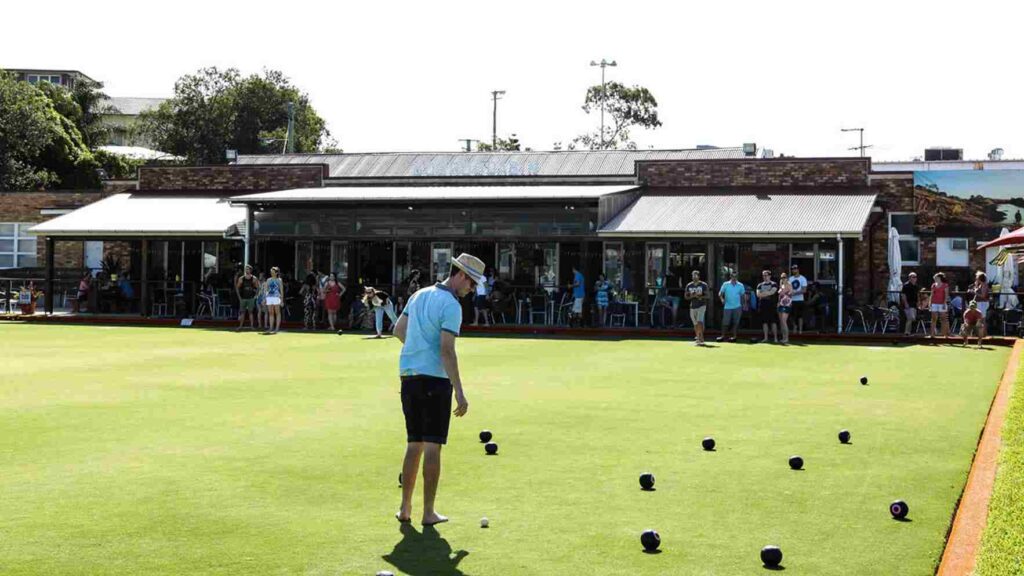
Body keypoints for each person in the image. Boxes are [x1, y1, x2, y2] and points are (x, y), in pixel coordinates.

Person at [392, 252, 481, 526]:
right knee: (432, 447)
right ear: (461, 275)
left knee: (413, 445)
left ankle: (405, 509)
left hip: (408, 377)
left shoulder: (419, 294)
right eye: (472, 283)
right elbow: (447, 351)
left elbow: (398, 330)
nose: (472, 289)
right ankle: (428, 512)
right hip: (435, 382)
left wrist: (418, 350)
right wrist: (460, 391)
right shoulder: (452, 305)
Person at [717, 272, 746, 343]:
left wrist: (744, 304)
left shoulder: (740, 285)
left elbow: (742, 295)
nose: (734, 277)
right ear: (730, 276)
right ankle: (723, 336)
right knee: (725, 322)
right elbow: (720, 293)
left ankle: (734, 337)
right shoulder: (725, 284)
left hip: (737, 306)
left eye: (735, 276)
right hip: (727, 306)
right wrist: (722, 299)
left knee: (736, 322)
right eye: (733, 276)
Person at [685, 270, 709, 345]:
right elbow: (686, 296)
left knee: (699, 321)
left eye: (696, 276)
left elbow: (708, 296)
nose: (694, 277)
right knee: (695, 323)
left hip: (701, 305)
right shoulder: (689, 285)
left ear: (699, 276)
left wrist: (700, 296)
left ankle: (701, 338)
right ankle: (698, 338)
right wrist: (691, 296)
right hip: (693, 306)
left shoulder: (703, 285)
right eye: (693, 276)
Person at [756, 269, 779, 343]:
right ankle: (765, 338)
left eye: (766, 275)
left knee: (773, 321)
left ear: (770, 276)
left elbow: (773, 292)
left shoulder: (774, 284)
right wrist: (767, 292)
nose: (764, 277)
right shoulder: (760, 285)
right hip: (763, 305)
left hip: (771, 305)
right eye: (763, 275)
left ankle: (775, 338)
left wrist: (764, 293)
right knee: (764, 322)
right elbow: (758, 294)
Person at [235, 265, 259, 331]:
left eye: (248, 269)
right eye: (246, 269)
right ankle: (240, 326)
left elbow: (258, 287)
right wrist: (239, 297)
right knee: (242, 312)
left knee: (250, 312)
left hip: (251, 298)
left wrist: (255, 296)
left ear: (250, 270)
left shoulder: (254, 278)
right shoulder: (241, 278)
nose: (246, 270)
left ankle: (251, 326)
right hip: (243, 298)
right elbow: (237, 288)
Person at [930, 272, 950, 338]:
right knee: (933, 319)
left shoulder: (945, 285)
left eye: (936, 277)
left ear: (939, 278)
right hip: (934, 303)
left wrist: (944, 303)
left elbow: (946, 295)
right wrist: (930, 303)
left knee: (943, 319)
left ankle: (945, 334)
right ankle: (932, 334)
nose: (934, 279)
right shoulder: (933, 285)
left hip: (942, 304)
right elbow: (932, 294)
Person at [789, 265, 808, 334]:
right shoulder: (790, 279)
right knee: (791, 316)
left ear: (798, 270)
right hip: (792, 300)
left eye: (795, 269)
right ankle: (795, 326)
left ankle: (800, 330)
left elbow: (804, 290)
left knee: (800, 316)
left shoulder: (803, 279)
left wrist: (795, 293)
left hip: (800, 300)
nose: (794, 270)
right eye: (792, 269)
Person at [264, 267, 284, 334]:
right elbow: (266, 290)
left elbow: (281, 290)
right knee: (271, 313)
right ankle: (271, 328)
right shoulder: (268, 280)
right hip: (269, 297)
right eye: (271, 271)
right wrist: (265, 298)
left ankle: (277, 328)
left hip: (276, 297)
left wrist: (282, 300)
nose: (271, 273)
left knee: (277, 313)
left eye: (273, 272)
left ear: (276, 273)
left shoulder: (279, 280)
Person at [777, 271, 794, 345]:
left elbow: (791, 293)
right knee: (781, 322)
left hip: (786, 304)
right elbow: (779, 295)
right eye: (781, 277)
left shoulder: (789, 284)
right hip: (781, 303)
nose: (782, 279)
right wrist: (778, 302)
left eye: (784, 277)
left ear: (787, 278)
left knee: (784, 321)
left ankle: (786, 338)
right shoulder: (782, 285)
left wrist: (785, 291)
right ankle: (783, 337)